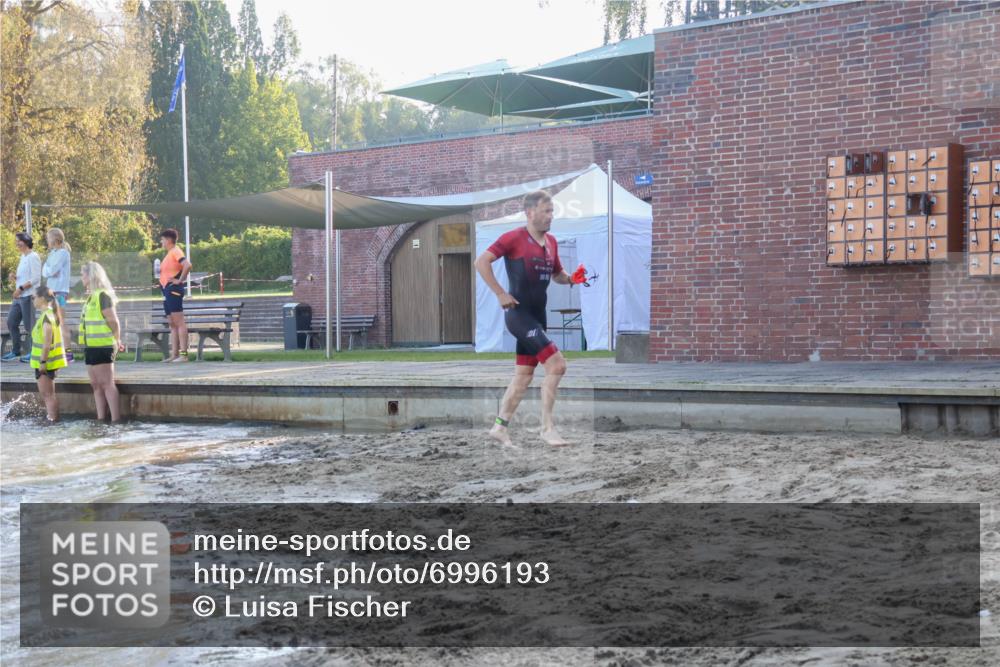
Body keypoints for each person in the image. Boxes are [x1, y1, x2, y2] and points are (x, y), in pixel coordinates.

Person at [474, 190, 576, 447]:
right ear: (530, 213)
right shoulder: (514, 238)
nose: (551, 216)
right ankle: (547, 428)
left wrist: (572, 279)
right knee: (557, 365)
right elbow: (481, 261)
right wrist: (500, 293)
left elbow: (557, 274)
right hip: (519, 315)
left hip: (538, 316)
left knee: (524, 376)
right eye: (546, 211)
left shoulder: (551, 242)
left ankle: (499, 427)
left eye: (552, 211)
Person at [79, 261, 125, 422]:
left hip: (103, 346)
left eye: (83, 274)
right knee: (95, 384)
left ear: (91, 276)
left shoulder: (102, 295)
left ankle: (116, 420)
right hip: (91, 347)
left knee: (107, 384)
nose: (81, 278)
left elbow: (113, 321)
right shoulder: (91, 297)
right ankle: (101, 419)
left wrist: (117, 341)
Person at [29, 286, 68, 421]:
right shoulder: (49, 314)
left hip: (46, 363)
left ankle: (53, 423)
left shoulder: (47, 317)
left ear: (42, 299)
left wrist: (43, 362)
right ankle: (53, 420)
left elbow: (46, 344)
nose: (32, 300)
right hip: (47, 362)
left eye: (33, 297)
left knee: (48, 395)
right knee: (49, 395)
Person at [4, 232, 42, 363]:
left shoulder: (33, 256)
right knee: (11, 322)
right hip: (19, 298)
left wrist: (20, 289)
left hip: (28, 296)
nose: (16, 244)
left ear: (25, 242)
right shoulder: (23, 257)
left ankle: (34, 353)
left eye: (18, 241)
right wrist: (15, 277)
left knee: (30, 326)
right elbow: (26, 276)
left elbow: (36, 278)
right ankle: (16, 351)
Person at [158, 228, 192, 362]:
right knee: (172, 323)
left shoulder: (176, 251)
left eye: (162, 240)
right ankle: (174, 355)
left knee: (179, 322)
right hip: (166, 290)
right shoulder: (169, 254)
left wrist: (180, 280)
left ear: (168, 240)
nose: (161, 242)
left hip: (173, 289)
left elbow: (187, 265)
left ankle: (184, 355)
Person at [42, 227, 73, 362]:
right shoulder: (52, 254)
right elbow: (45, 271)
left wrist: (48, 269)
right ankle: (55, 352)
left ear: (54, 239)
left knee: (60, 323)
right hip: (50, 292)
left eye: (48, 238)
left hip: (59, 292)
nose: (46, 241)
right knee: (50, 323)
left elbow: (52, 270)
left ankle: (68, 354)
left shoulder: (63, 253)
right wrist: (48, 270)